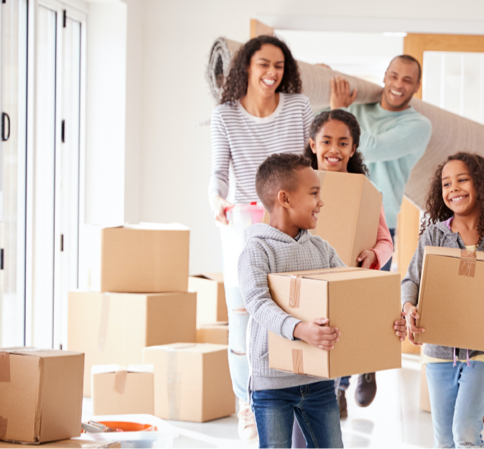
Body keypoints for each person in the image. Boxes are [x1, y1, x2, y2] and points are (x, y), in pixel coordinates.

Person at [238, 153, 407, 448]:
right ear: (285, 199)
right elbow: (257, 302)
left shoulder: (321, 248)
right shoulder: (256, 250)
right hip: (272, 383)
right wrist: (300, 329)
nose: (322, 201)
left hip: (318, 380)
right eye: (314, 193)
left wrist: (387, 323)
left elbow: (350, 296)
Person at [208, 35, 313, 441]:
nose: (272, 73)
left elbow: (313, 161)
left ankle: (297, 400)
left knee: (291, 315)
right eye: (263, 65)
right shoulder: (225, 115)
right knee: (243, 324)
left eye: (279, 66)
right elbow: (218, 171)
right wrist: (216, 198)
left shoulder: (298, 107)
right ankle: (247, 407)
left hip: (291, 227)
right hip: (243, 227)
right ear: (246, 68)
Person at [328, 55, 433, 407]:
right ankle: (339, 389)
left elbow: (369, 146)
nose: (398, 84)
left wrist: (341, 111)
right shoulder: (361, 108)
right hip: (339, 213)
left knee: (364, 307)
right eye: (392, 76)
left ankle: (366, 366)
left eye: (407, 79)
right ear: (384, 77)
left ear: (416, 86)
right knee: (335, 305)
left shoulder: (418, 125)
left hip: (378, 221)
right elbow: (325, 136)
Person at [402, 152, 484, 447]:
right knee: (444, 440)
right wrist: (408, 308)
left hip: (483, 349)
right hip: (438, 353)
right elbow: (411, 281)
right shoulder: (434, 236)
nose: (453, 188)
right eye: (446, 183)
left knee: (466, 433)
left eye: (462, 180)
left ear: (482, 185)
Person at [303, 109, 393, 420]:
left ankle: (342, 387)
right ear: (313, 145)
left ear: (352, 149)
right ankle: (336, 387)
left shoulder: (364, 191)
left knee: (342, 333)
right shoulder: (298, 185)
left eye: (343, 143)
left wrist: (374, 255)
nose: (334, 149)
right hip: (311, 279)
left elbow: (385, 241)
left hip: (350, 279)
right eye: (326, 141)